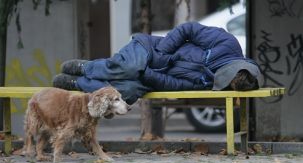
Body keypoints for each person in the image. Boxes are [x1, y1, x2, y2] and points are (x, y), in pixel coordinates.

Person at [53, 22, 263, 105]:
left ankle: (77, 84)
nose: (221, 80)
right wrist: (162, 53)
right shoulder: (227, 43)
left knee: (127, 91)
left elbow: (175, 84)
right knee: (130, 67)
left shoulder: (211, 82)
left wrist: (149, 76)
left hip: (149, 76)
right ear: (235, 66)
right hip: (150, 49)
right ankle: (85, 68)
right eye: (225, 77)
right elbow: (187, 29)